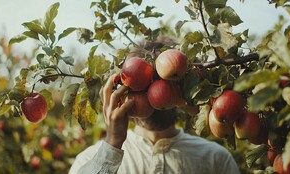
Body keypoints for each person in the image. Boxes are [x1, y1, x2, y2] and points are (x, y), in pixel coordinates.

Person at [69, 39, 241, 174]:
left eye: (169, 85)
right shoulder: (91, 159)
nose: (156, 100)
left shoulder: (215, 159)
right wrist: (113, 143)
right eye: (142, 89)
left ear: (184, 88)